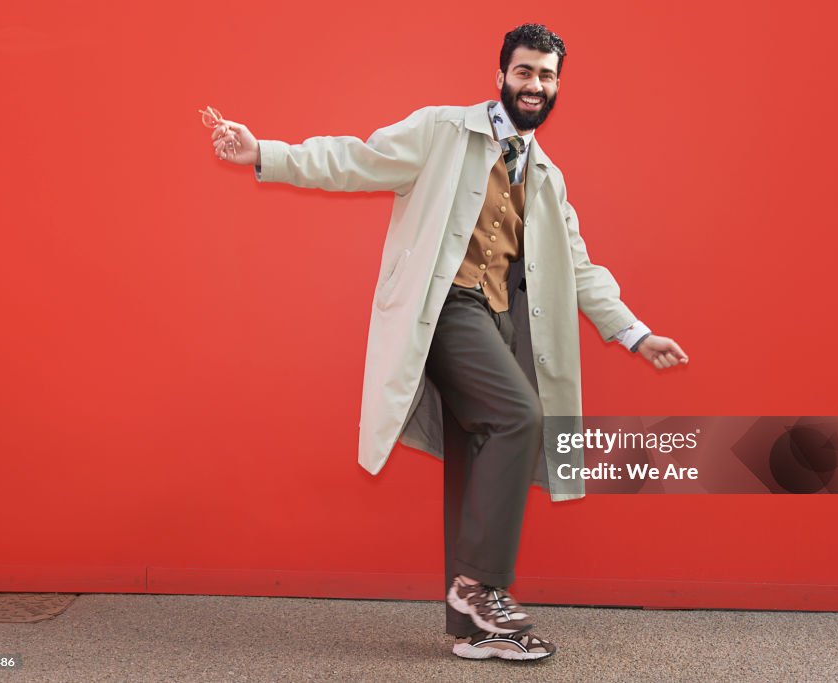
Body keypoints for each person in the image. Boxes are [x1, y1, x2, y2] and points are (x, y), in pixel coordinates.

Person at [205, 23, 689, 662]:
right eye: (524, 72)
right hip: (445, 310)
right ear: (501, 77)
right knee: (520, 416)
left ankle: (472, 633)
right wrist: (265, 153)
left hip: (498, 323)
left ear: (557, 86)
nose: (535, 85)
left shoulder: (546, 178)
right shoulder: (441, 132)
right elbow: (357, 159)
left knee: (481, 452)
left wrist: (635, 332)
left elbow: (581, 267)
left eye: (546, 76)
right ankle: (477, 586)